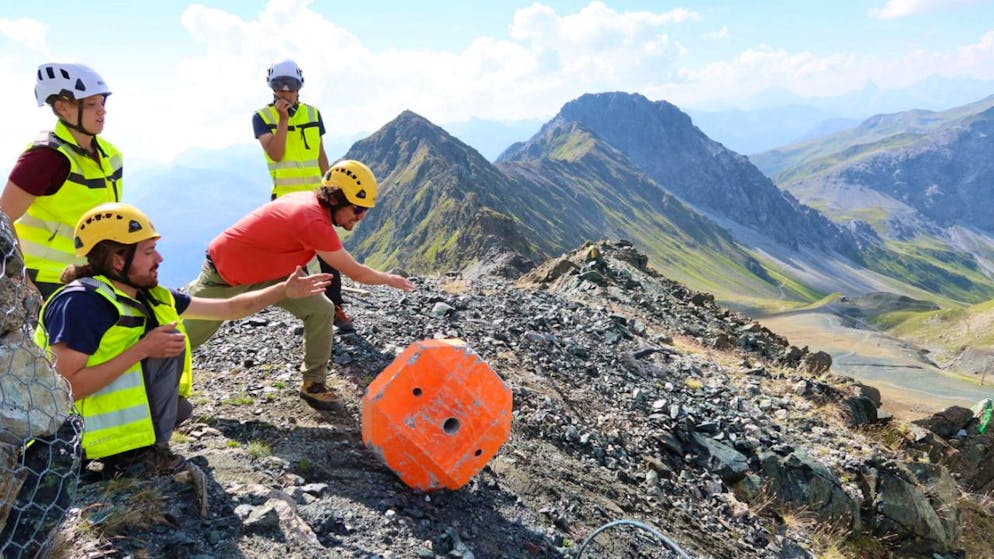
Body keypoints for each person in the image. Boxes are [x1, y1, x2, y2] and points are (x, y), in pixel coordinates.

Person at [34, 203, 332, 475]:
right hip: (67, 435)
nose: (160, 258)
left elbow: (230, 308)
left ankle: (138, 449)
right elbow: (65, 389)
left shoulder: (149, 296)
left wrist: (283, 291)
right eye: (148, 252)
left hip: (102, 424)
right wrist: (142, 349)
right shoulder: (81, 304)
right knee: (165, 342)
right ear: (117, 261)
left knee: (178, 398)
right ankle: (127, 456)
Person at [184, 159, 414, 411]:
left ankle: (313, 384)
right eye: (358, 208)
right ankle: (156, 391)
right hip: (224, 277)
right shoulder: (313, 221)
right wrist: (389, 279)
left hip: (276, 274)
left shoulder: (314, 209)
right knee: (181, 341)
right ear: (336, 200)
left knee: (321, 309)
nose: (361, 216)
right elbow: (356, 273)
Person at [1, 63, 122, 300]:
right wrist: (25, 283)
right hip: (48, 282)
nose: (102, 111)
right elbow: (3, 219)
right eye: (91, 105)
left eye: (102, 103)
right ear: (62, 107)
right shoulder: (44, 157)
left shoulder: (111, 155)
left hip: (93, 276)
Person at [253, 59, 356, 332]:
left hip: (316, 198)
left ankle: (335, 308)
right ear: (272, 87)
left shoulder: (313, 113)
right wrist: (283, 120)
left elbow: (320, 154)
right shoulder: (262, 117)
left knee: (329, 256)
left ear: (300, 86)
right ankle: (315, 312)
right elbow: (275, 153)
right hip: (286, 203)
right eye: (280, 85)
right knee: (297, 262)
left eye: (291, 85)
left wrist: (332, 189)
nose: (286, 91)